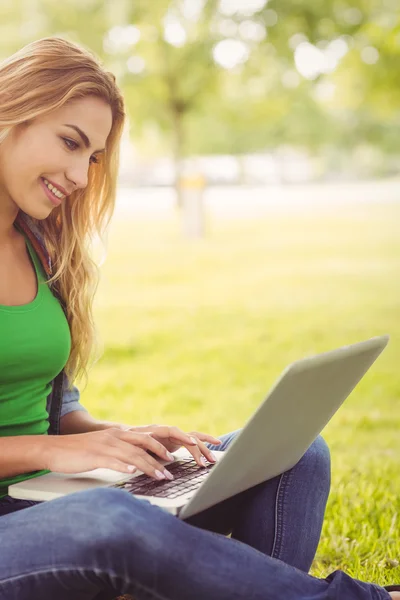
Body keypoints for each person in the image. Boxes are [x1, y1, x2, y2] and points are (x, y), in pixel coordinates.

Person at [0, 35, 395, 600]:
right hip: (36, 526)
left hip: (50, 496)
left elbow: (46, 408)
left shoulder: (41, 248)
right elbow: (45, 442)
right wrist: (52, 451)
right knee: (109, 517)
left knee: (294, 456)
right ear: (10, 108)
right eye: (70, 142)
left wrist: (117, 438)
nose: (83, 176)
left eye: (92, 157)